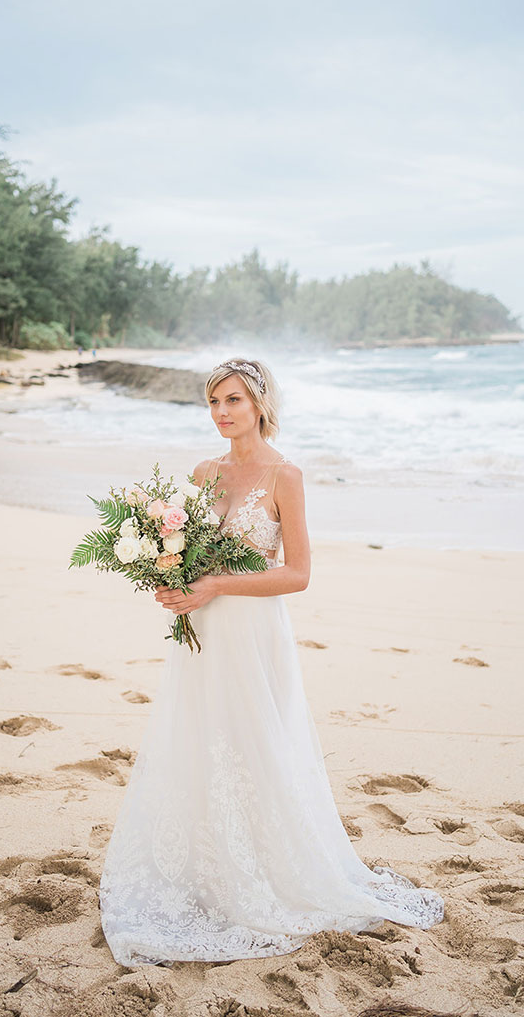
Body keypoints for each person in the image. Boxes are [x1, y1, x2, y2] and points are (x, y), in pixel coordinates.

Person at [99, 357, 444, 965]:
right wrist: (175, 583)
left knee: (256, 741)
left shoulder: (285, 475)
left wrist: (217, 586)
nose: (222, 413)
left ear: (259, 403)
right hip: (202, 627)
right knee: (201, 739)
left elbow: (299, 573)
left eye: (232, 400)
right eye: (212, 402)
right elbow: (189, 553)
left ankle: (266, 869)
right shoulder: (203, 472)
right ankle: (206, 867)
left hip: (254, 631)